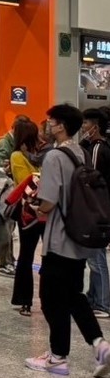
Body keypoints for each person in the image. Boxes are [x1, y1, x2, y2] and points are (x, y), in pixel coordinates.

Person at [26, 104, 110, 377]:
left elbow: (49, 201)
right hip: (79, 236)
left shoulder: (54, 157)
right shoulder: (81, 152)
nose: (48, 126)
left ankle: (58, 357)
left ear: (61, 126)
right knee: (73, 294)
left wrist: (35, 207)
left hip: (59, 238)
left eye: (51, 122)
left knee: (50, 298)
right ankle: (99, 343)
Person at [10, 119, 43, 317]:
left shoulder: (28, 155)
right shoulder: (22, 156)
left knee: (34, 254)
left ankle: (32, 299)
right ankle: (24, 299)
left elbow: (31, 180)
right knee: (28, 254)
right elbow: (30, 179)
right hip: (33, 210)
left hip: (37, 210)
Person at [80, 108, 110, 319]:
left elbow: (93, 179)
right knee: (94, 256)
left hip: (98, 209)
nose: (83, 127)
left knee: (97, 258)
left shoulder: (99, 149)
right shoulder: (98, 147)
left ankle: (102, 302)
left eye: (86, 124)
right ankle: (93, 297)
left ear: (95, 127)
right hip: (101, 209)